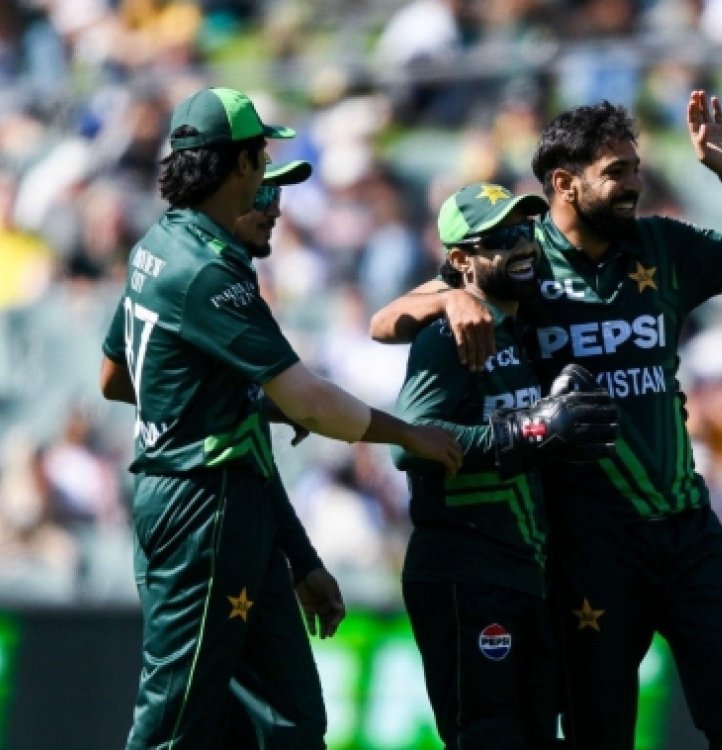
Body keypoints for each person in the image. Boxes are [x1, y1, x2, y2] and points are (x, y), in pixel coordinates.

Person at [371, 90, 722, 749]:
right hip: (588, 543)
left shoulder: (661, 244)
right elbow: (384, 323)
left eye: (636, 169)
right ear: (566, 184)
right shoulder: (522, 259)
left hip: (687, 527)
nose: (634, 185)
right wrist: (449, 300)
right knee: (600, 729)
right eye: (616, 173)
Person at [97, 87, 462, 750]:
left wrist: (297, 553)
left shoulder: (160, 244)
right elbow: (310, 403)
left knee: (287, 722)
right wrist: (410, 434)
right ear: (239, 163)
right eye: (262, 160)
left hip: (217, 499)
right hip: (201, 508)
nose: (270, 182)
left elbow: (116, 379)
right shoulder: (209, 273)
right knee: (174, 726)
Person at [392, 181, 618, 749]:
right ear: (461, 260)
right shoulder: (448, 335)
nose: (521, 247)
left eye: (525, 231)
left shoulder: (518, 330)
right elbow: (410, 443)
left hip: (522, 569)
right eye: (500, 238)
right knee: (488, 737)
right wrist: (531, 431)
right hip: (465, 570)